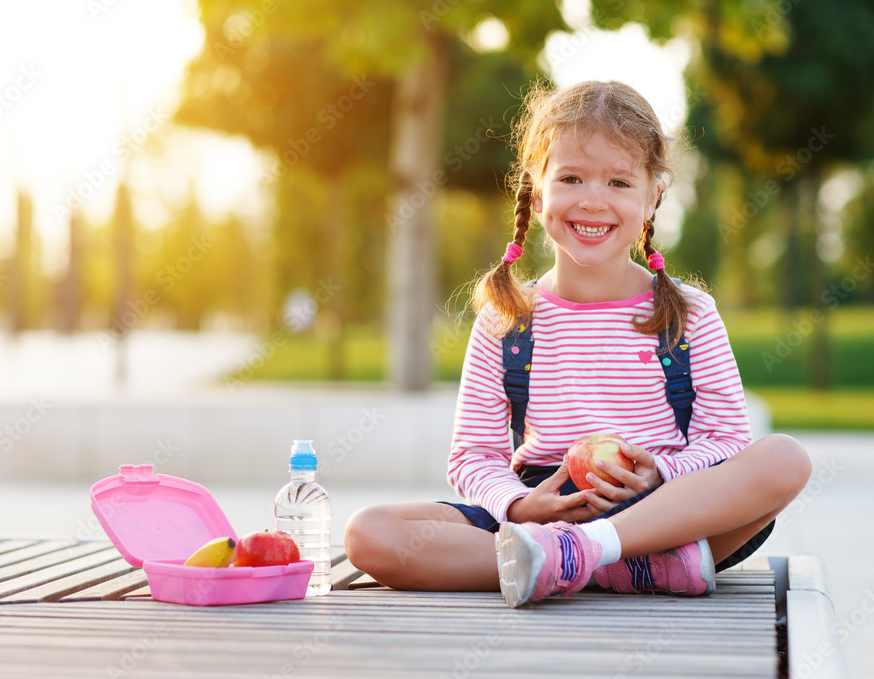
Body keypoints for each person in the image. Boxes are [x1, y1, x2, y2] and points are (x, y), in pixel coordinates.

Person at [343, 79, 812, 607]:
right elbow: (475, 455)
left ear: (654, 194)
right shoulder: (508, 320)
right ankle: (608, 566)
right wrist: (519, 506)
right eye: (571, 177)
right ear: (537, 188)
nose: (593, 201)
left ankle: (578, 554)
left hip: (663, 509)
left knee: (784, 459)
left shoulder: (689, 313)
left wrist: (659, 470)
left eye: (618, 182)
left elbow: (725, 440)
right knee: (370, 533)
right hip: (543, 503)